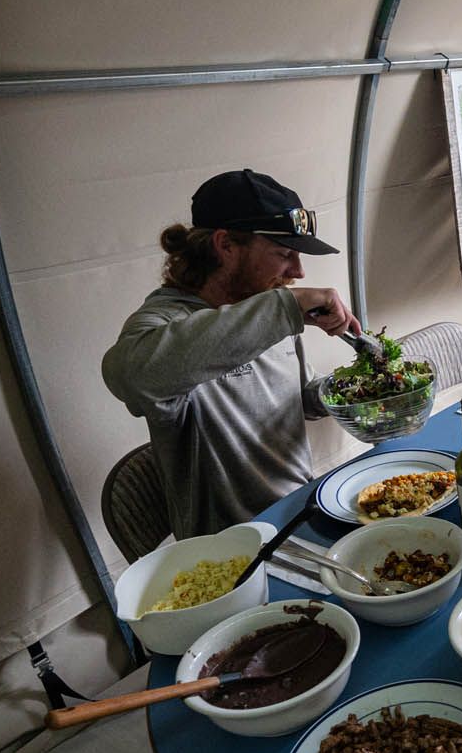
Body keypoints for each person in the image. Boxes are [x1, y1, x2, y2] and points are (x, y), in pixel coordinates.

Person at [103, 169, 360, 539]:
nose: (298, 271)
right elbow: (128, 375)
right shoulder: (167, 321)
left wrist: (346, 391)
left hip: (304, 516)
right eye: (284, 254)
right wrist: (283, 307)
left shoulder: (265, 307)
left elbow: (298, 397)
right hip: (231, 550)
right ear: (225, 246)